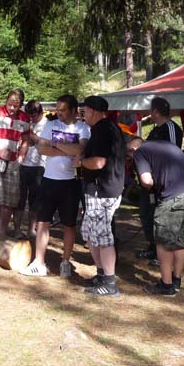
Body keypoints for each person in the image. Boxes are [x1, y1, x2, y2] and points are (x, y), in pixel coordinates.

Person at [128, 136, 184, 296]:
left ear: (133, 149)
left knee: (163, 242)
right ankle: (176, 280)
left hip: (175, 197)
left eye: (129, 155)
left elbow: (147, 181)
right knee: (181, 240)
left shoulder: (140, 152)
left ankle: (166, 285)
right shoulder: (166, 145)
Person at [20, 94, 88, 277]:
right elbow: (42, 148)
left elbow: (79, 149)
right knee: (43, 222)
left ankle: (65, 261)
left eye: (63, 110)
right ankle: (39, 262)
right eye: (57, 109)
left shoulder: (83, 128)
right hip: (49, 179)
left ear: (73, 110)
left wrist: (55, 143)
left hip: (71, 182)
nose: (59, 113)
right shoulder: (50, 125)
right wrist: (67, 149)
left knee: (69, 224)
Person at [74, 95, 126, 296]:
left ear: (92, 111)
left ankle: (110, 284)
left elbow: (99, 162)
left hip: (102, 191)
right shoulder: (110, 128)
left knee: (103, 237)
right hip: (100, 189)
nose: (83, 115)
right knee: (90, 234)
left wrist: (80, 163)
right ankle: (102, 275)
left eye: (84, 111)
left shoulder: (103, 129)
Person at [138, 96, 184, 264]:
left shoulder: (171, 128)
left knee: (163, 218)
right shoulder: (155, 130)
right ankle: (153, 247)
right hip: (150, 181)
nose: (149, 114)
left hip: (165, 182)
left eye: (150, 111)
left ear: (156, 112)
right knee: (147, 214)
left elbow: (172, 154)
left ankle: (163, 253)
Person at [0, 89, 31, 236]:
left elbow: (26, 140)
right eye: (10, 104)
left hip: (13, 162)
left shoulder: (24, 118)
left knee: (10, 199)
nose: (12, 108)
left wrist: (21, 156)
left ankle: (2, 233)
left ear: (21, 105)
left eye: (16, 106)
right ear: (6, 101)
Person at [13, 100, 48, 239]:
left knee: (35, 200)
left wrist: (30, 132)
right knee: (19, 200)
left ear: (40, 112)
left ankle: (31, 230)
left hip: (39, 166)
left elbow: (42, 142)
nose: (31, 118)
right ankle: (17, 230)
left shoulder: (47, 124)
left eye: (34, 115)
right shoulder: (26, 121)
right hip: (22, 164)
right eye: (29, 115)